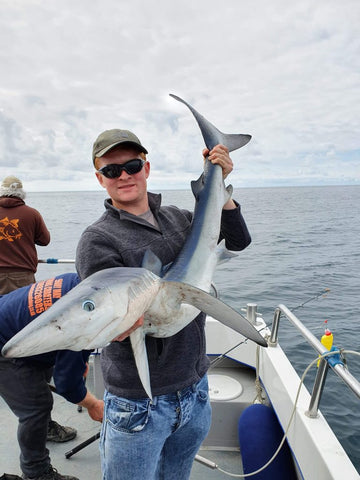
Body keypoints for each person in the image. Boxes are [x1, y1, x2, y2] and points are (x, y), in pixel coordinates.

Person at [75, 128, 252, 480]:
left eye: (132, 165)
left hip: (195, 387)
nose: (124, 175)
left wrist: (221, 184)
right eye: (112, 170)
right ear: (100, 179)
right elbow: (113, 323)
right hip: (138, 404)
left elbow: (238, 240)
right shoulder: (97, 240)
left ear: (147, 168)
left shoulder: (178, 217)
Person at [0, 274, 104, 480]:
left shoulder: (80, 283)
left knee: (44, 374)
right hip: (4, 344)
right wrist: (92, 404)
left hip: (19, 330)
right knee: (36, 407)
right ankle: (36, 472)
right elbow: (66, 384)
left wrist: (80, 359)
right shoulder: (84, 315)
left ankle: (45, 429)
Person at [0, 176, 50, 295]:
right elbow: (45, 240)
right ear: (21, 193)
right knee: (23, 312)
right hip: (23, 276)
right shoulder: (32, 214)